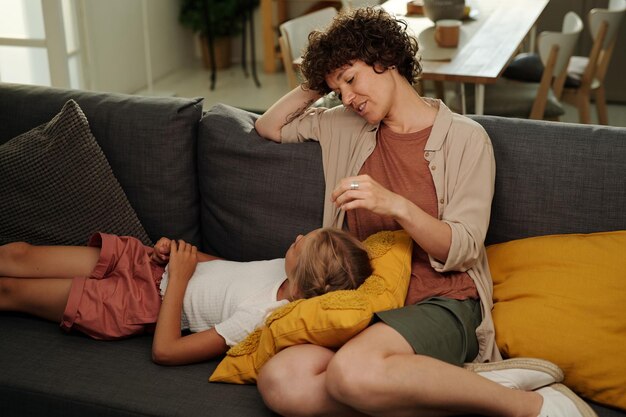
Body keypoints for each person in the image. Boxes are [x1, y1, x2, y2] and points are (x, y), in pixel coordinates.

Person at [254, 7, 596, 417]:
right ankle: (459, 388)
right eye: (337, 89)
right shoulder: (343, 124)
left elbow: (465, 249)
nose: (347, 97)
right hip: (365, 301)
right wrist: (320, 79)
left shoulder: (467, 139)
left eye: (351, 79)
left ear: (387, 60)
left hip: (442, 301)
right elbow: (269, 126)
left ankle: (530, 405)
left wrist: (395, 205)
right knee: (281, 382)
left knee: (351, 373)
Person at [0, 227, 372, 366]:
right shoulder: (283, 269)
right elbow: (227, 271)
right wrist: (176, 255)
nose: (296, 238)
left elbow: (166, 351)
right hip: (147, 263)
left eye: (300, 246)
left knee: (11, 291)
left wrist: (177, 278)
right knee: (18, 254)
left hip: (136, 303)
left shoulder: (260, 317)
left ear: (304, 275)